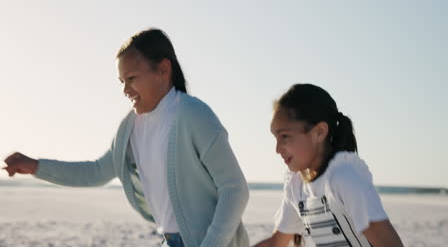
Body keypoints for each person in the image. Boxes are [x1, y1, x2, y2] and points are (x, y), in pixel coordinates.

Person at [3, 28, 250, 247]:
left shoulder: (193, 115)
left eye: (131, 78)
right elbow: (96, 172)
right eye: (121, 81)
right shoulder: (130, 127)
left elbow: (234, 188)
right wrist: (35, 166)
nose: (124, 90)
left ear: (163, 70)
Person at [255, 84, 403, 247]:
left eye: (285, 136)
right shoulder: (296, 186)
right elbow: (276, 242)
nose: (277, 149)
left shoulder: (344, 178)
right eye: (276, 138)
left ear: (319, 132)